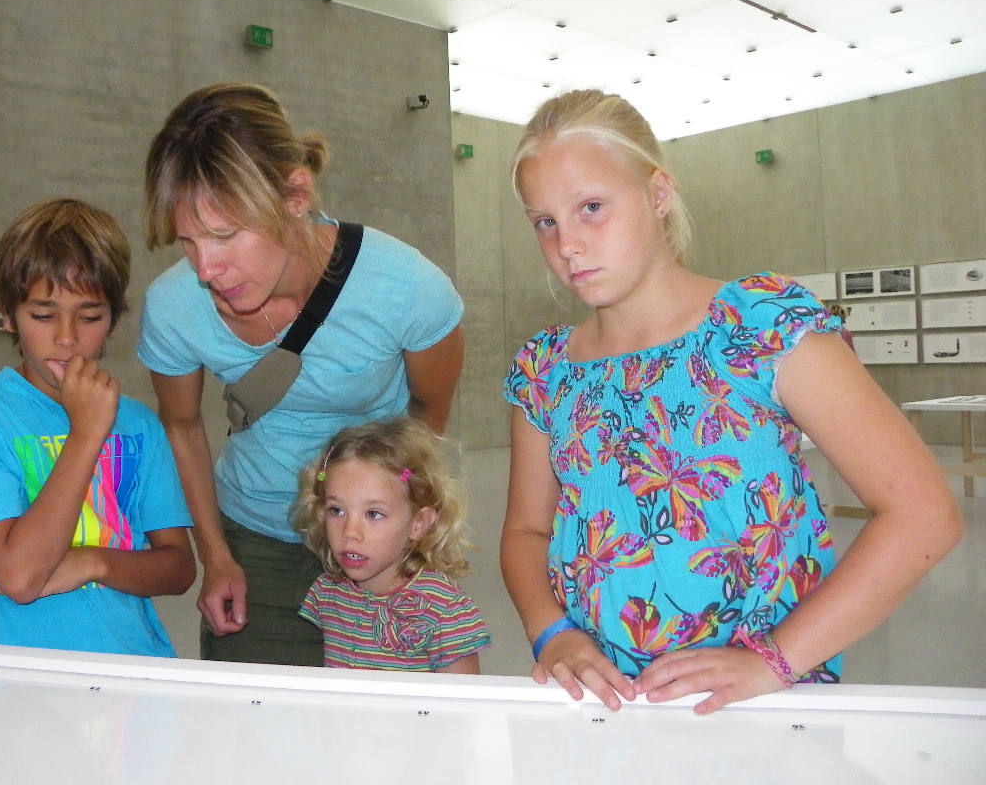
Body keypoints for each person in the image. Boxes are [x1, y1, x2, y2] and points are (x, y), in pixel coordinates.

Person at [500, 89, 962, 715]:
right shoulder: (546, 370)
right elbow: (526, 531)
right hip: (605, 707)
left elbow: (924, 515)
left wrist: (774, 660)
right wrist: (551, 632)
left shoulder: (759, 328)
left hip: (759, 704)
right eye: (546, 222)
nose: (568, 245)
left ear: (658, 195)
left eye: (591, 208)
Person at [139, 83, 465, 666]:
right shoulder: (173, 307)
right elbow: (181, 426)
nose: (206, 268)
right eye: (188, 240)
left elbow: (427, 417)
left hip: (379, 538)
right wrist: (216, 556)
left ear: (295, 194)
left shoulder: (407, 289)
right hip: (255, 531)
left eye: (224, 234)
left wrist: (393, 531)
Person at [0, 198, 195, 655]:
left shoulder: (138, 422)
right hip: (24, 679)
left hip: (137, 667)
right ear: (8, 313)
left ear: (114, 317)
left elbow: (179, 570)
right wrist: (87, 433)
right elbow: (20, 578)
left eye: (90, 316)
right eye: (43, 315)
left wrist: (93, 562)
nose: (67, 337)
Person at [291, 417, 489, 672]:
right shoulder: (328, 591)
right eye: (337, 510)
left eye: (373, 514)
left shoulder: (444, 608)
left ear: (418, 523)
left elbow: (464, 693)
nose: (350, 532)